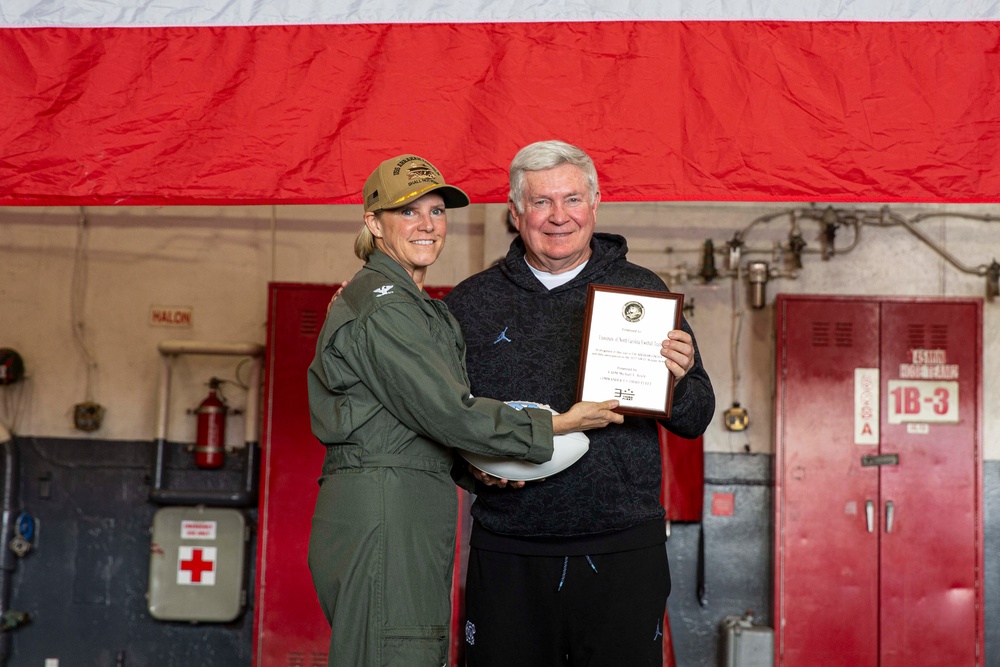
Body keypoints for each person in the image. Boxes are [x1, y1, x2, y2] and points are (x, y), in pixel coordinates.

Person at [306, 153, 623, 667]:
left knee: (409, 646)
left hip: (408, 499)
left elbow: (414, 419)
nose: (427, 225)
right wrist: (559, 423)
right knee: (396, 651)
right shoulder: (386, 306)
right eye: (408, 212)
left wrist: (476, 470)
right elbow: (449, 411)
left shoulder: (413, 303)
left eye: (436, 211)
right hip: (388, 506)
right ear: (373, 222)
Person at [444, 140, 715, 666]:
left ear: (595, 205)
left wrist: (678, 381)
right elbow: (446, 416)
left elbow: (697, 416)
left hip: (622, 547)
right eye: (541, 202)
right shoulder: (469, 303)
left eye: (572, 200)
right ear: (515, 212)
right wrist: (472, 469)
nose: (558, 217)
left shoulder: (641, 292)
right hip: (509, 547)